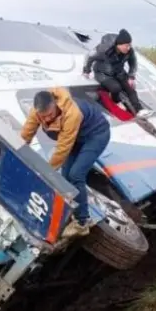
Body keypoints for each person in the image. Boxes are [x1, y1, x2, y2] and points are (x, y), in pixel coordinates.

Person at [19, 87, 111, 239]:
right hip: (77, 137)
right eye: (43, 116)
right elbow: (26, 133)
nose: (47, 119)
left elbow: (62, 149)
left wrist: (46, 174)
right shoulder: (37, 111)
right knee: (65, 176)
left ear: (55, 104)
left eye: (50, 115)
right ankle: (73, 207)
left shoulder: (72, 113)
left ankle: (82, 222)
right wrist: (19, 152)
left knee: (76, 175)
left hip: (96, 135)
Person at [81, 29, 152, 118]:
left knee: (130, 88)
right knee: (116, 88)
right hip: (103, 73)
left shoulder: (129, 51)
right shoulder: (104, 50)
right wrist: (86, 70)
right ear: (119, 45)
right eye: (126, 46)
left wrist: (131, 77)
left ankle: (140, 110)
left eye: (130, 45)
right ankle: (116, 101)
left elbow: (133, 63)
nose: (128, 48)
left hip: (118, 71)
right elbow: (90, 57)